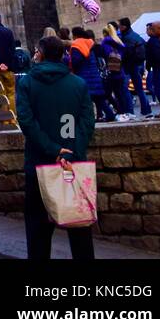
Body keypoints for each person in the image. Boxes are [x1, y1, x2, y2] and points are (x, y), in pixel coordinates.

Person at [16, 34, 96, 261]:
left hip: (39, 165)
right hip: (73, 164)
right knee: (79, 224)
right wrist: (71, 151)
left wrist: (52, 149)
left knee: (38, 229)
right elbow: (87, 122)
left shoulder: (27, 83)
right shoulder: (78, 83)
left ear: (39, 54)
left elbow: (27, 122)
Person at [69, 27, 116, 122]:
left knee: (86, 100)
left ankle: (88, 119)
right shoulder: (89, 44)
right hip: (94, 74)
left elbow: (76, 61)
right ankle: (109, 114)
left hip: (84, 75)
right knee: (99, 99)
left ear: (75, 35)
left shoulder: (76, 45)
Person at [117, 16, 151, 118]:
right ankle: (146, 109)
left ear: (123, 26)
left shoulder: (126, 38)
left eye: (119, 26)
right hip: (138, 64)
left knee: (124, 88)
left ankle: (130, 111)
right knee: (139, 89)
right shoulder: (135, 35)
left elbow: (126, 53)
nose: (119, 28)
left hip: (130, 66)